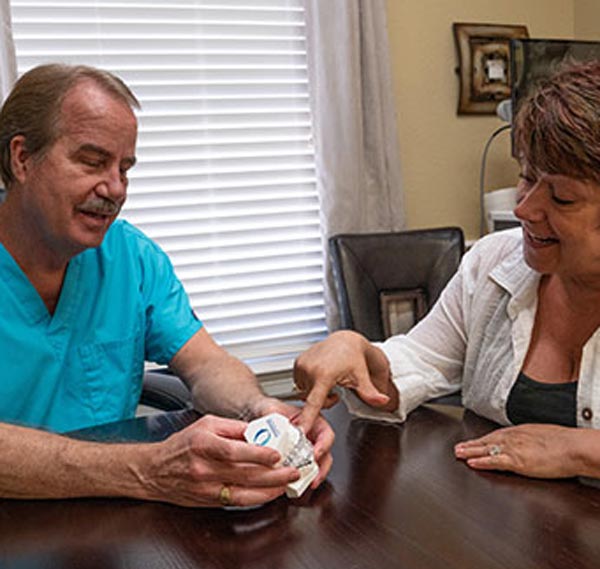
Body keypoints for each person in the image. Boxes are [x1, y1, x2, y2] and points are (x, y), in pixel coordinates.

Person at [0, 63, 333, 507]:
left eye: (125, 168)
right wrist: (146, 470)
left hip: (107, 525)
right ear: (22, 158)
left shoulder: (131, 257)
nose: (115, 188)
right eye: (93, 161)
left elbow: (206, 364)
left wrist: (258, 409)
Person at [294, 60, 600, 482]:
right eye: (526, 178)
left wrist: (580, 450)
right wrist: (360, 355)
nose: (523, 209)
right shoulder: (493, 263)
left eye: (562, 198)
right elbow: (422, 359)